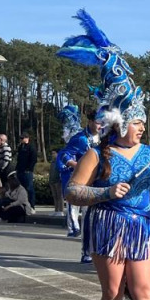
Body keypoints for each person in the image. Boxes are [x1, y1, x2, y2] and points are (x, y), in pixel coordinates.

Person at [59, 9, 150, 300]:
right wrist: (107, 192)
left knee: (144, 290)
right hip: (107, 224)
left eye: (143, 122)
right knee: (112, 291)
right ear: (119, 121)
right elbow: (72, 191)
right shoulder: (99, 153)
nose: (141, 127)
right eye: (136, 121)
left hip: (140, 225)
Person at [55, 105, 97, 261]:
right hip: (84, 182)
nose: (101, 126)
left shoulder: (107, 137)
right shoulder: (80, 138)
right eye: (98, 122)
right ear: (91, 121)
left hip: (101, 183)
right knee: (86, 217)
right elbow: (64, 154)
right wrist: (76, 165)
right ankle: (86, 252)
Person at [16, 133, 37, 208]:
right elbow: (18, 159)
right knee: (21, 189)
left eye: (22, 138)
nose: (21, 140)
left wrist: (29, 169)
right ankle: (23, 205)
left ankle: (31, 205)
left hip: (27, 171)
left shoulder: (31, 147)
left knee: (29, 188)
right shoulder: (20, 147)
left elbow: (33, 159)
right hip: (20, 170)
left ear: (27, 138)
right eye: (20, 138)